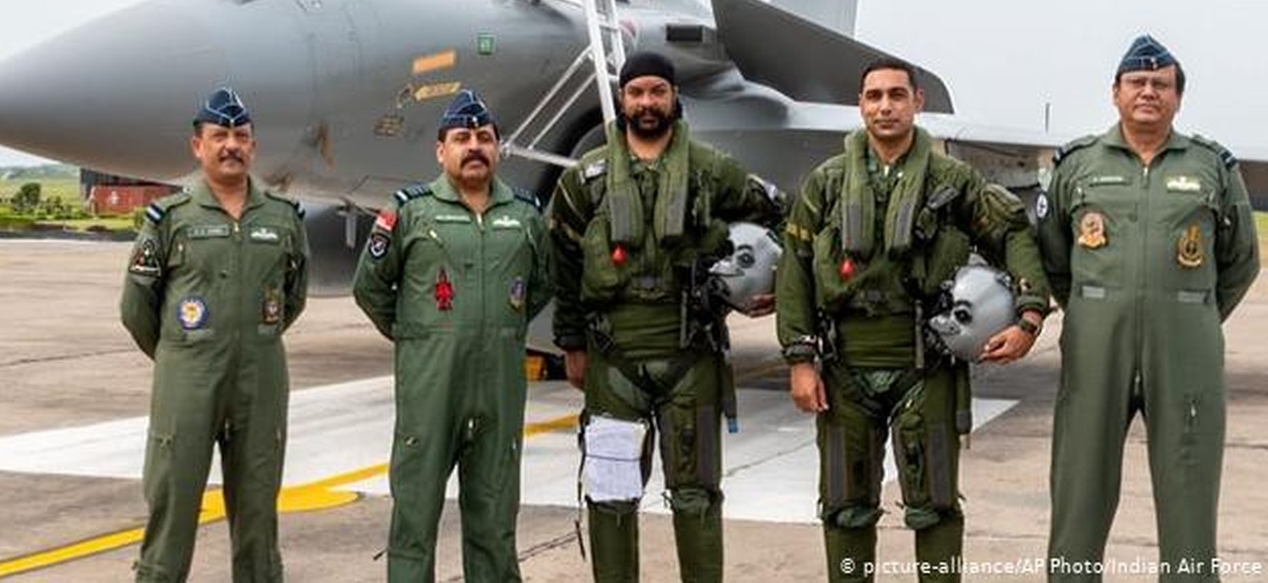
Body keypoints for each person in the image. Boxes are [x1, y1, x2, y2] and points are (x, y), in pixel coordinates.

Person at [776, 59, 1051, 582]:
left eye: (896, 95)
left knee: (935, 506)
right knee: (844, 506)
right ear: (860, 105)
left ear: (917, 102)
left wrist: (1029, 315)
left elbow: (1013, 233)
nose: (885, 106)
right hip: (843, 367)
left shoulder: (953, 181)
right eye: (874, 96)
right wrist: (799, 358)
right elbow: (796, 270)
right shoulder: (826, 185)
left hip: (926, 365)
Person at [549, 51, 787, 583]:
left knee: (697, 496)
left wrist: (776, 285)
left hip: (692, 357)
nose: (647, 103)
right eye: (637, 93)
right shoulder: (585, 181)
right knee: (611, 498)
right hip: (613, 363)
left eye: (657, 92)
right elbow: (562, 262)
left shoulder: (712, 170)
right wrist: (571, 343)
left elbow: (785, 219)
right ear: (621, 100)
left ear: (674, 97)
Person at [1038, 35, 1260, 581]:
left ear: (1178, 99)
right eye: (1136, 83)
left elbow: (1241, 260)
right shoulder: (1077, 165)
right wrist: (1094, 310)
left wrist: (1191, 312)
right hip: (1096, 350)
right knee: (1079, 491)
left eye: (1161, 84)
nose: (1148, 92)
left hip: (1185, 353)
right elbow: (1052, 255)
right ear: (1115, 93)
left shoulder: (1212, 167)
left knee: (1190, 490)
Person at [352, 89, 551, 582]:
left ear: (498, 148)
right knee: (415, 520)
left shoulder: (525, 215)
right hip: (430, 391)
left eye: (484, 137)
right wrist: (416, 336)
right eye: (462, 138)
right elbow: (370, 287)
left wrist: (503, 329)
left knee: (495, 520)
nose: (475, 146)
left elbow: (543, 283)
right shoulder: (410, 212)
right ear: (441, 151)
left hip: (499, 393)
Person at [120, 87, 309, 582]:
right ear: (197, 146)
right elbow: (136, 307)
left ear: (253, 147)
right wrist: (180, 353)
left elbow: (292, 296)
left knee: (257, 511)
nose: (231, 145)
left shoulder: (283, 219)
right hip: (187, 377)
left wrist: (249, 338)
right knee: (173, 501)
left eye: (241, 136)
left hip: (260, 378)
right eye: (219, 135)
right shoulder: (171, 219)